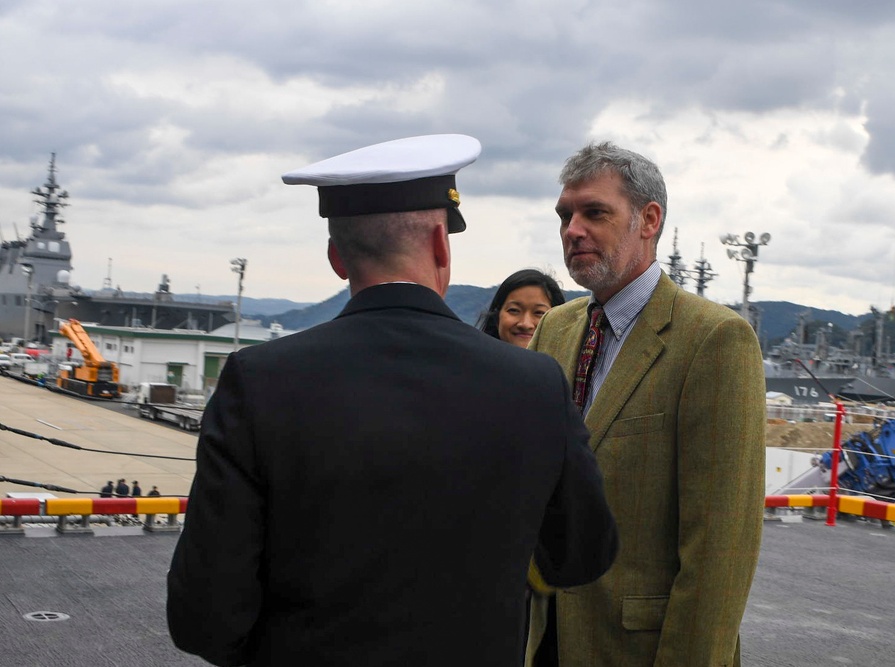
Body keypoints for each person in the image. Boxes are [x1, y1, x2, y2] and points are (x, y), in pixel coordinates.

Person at [167, 134, 618, 667]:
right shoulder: (535, 384)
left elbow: (203, 617)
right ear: (440, 244)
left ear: (337, 257)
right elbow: (581, 557)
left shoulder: (257, 381)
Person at [527, 141, 766, 666]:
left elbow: (719, 552)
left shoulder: (714, 341)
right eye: (565, 215)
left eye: (595, 212)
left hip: (640, 650)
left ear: (649, 219)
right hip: (546, 641)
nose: (572, 230)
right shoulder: (556, 329)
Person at [478, 269, 566, 348]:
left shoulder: (572, 365)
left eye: (539, 313)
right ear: (497, 317)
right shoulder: (471, 364)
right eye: (514, 310)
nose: (525, 324)